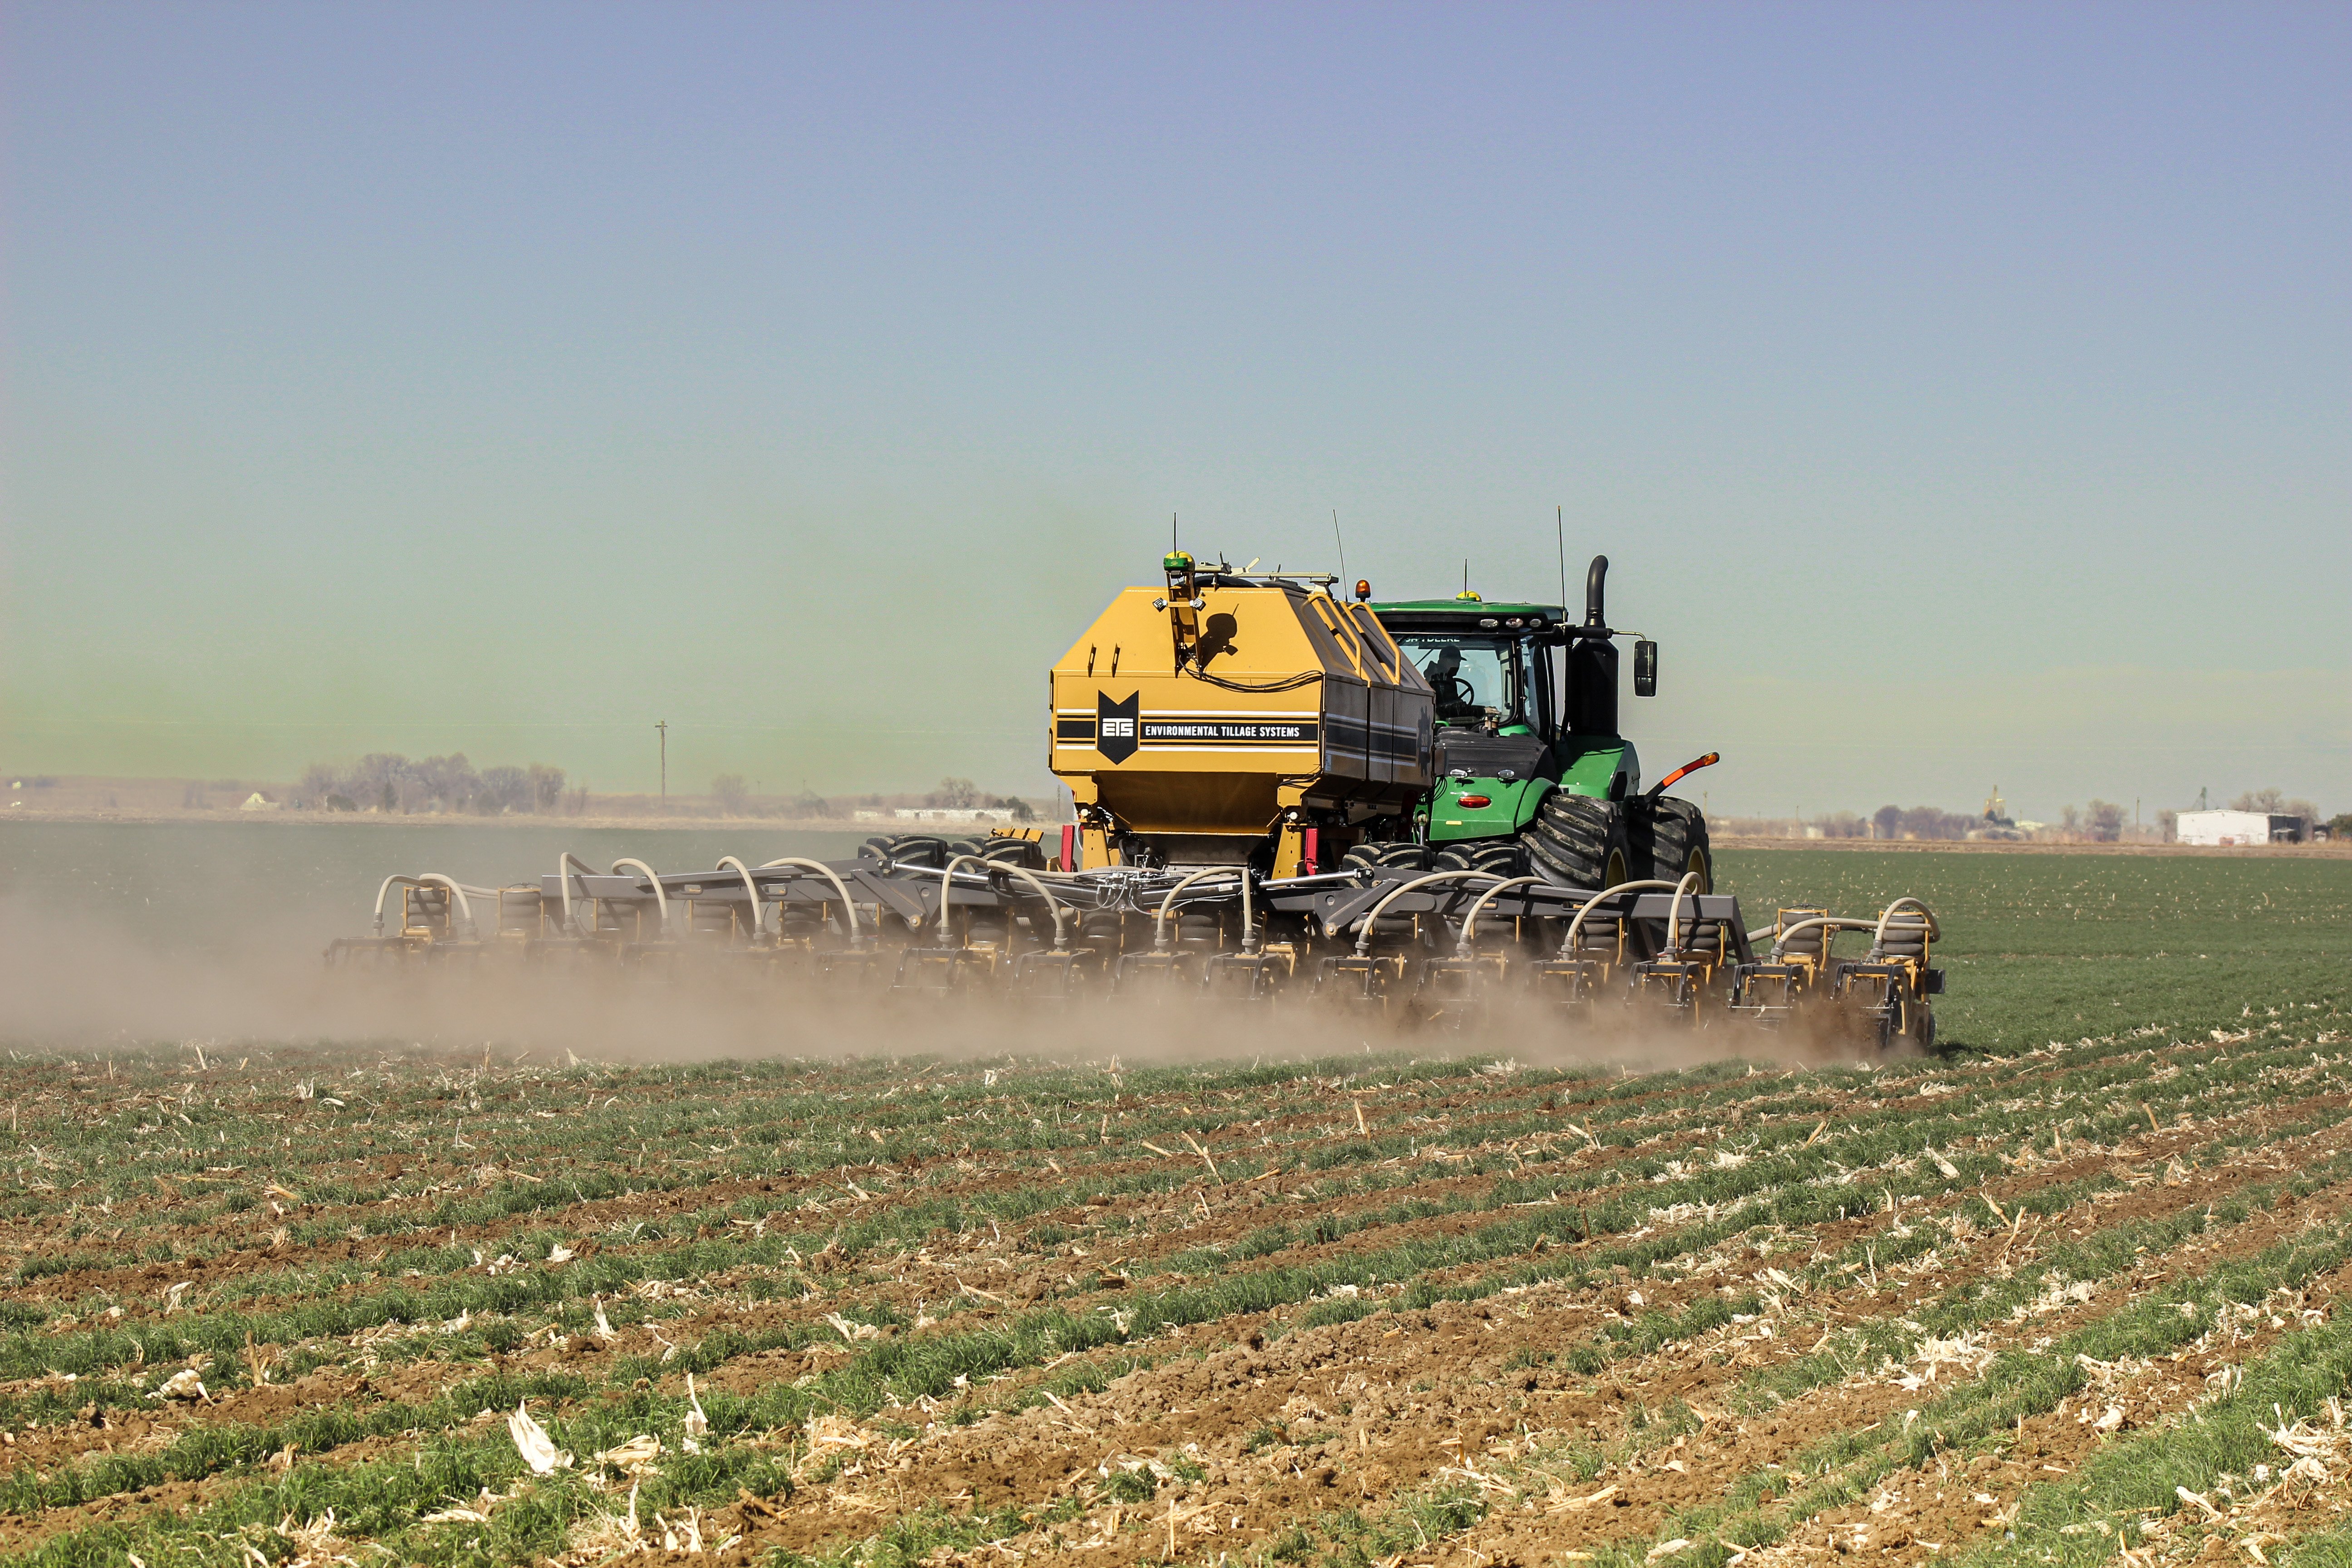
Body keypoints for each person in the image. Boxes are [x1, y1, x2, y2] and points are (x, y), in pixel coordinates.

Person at [1424, 647, 1478, 720]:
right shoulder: (1441, 680)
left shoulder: (1439, 677)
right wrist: (1483, 711)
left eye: (1459, 662)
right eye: (1454, 662)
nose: (1457, 665)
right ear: (1443, 660)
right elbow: (1450, 709)